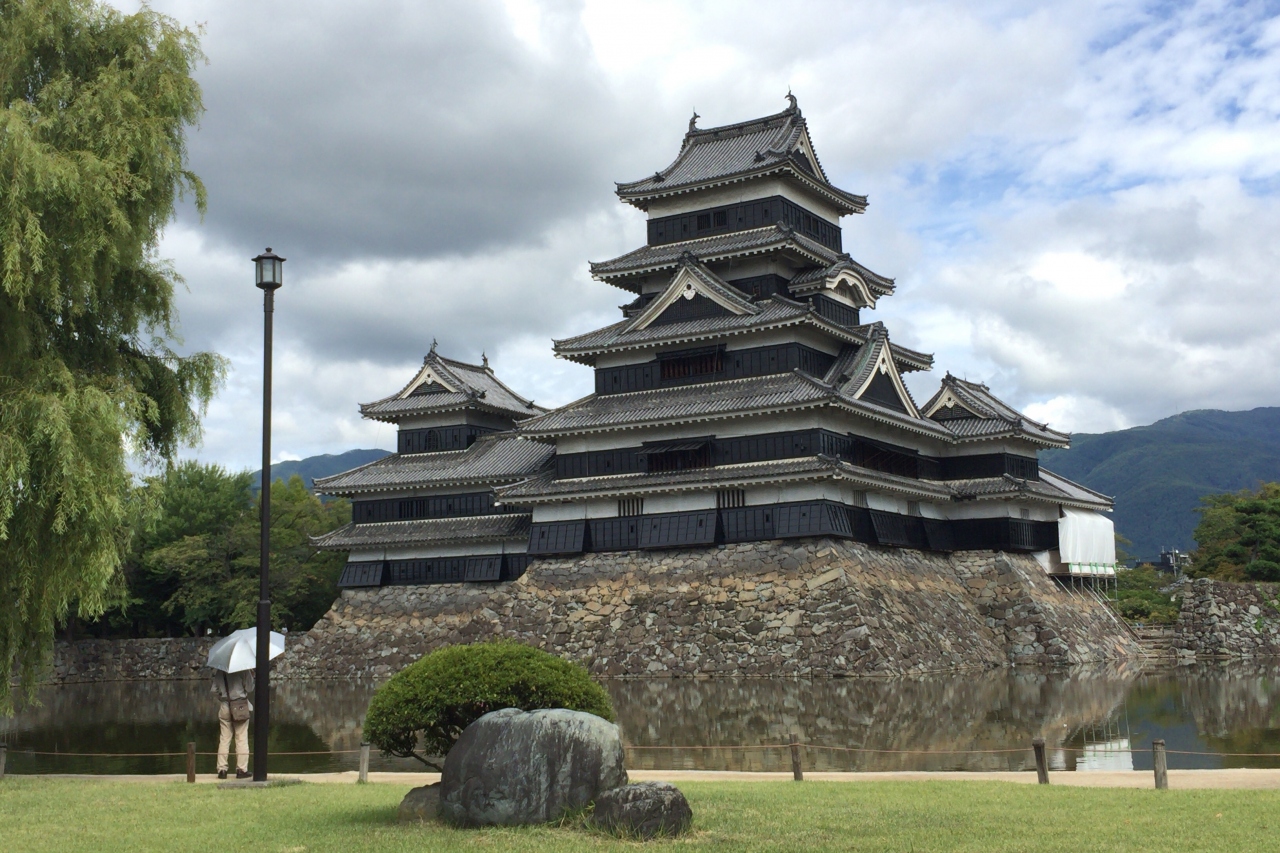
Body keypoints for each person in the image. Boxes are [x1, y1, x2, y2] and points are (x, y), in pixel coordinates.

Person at [211, 668, 254, 779]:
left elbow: (214, 690)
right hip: (240, 706)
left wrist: (222, 698)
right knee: (241, 738)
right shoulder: (244, 669)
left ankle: (222, 770)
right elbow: (250, 688)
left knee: (224, 739)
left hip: (225, 706)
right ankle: (241, 770)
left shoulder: (220, 671)